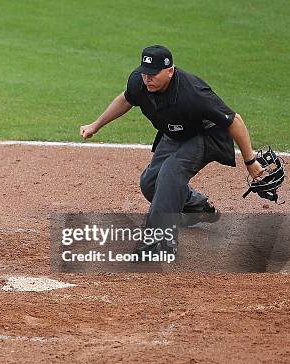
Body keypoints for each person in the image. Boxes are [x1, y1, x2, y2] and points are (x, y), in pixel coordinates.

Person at [80, 45, 265, 255]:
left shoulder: (193, 93)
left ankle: (157, 240)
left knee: (171, 172)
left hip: (205, 136)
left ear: (170, 70)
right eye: (145, 73)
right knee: (150, 184)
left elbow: (235, 121)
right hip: (175, 134)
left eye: (153, 74)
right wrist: (96, 125)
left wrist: (250, 161)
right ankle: (197, 207)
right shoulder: (139, 81)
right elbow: (126, 99)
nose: (147, 79)